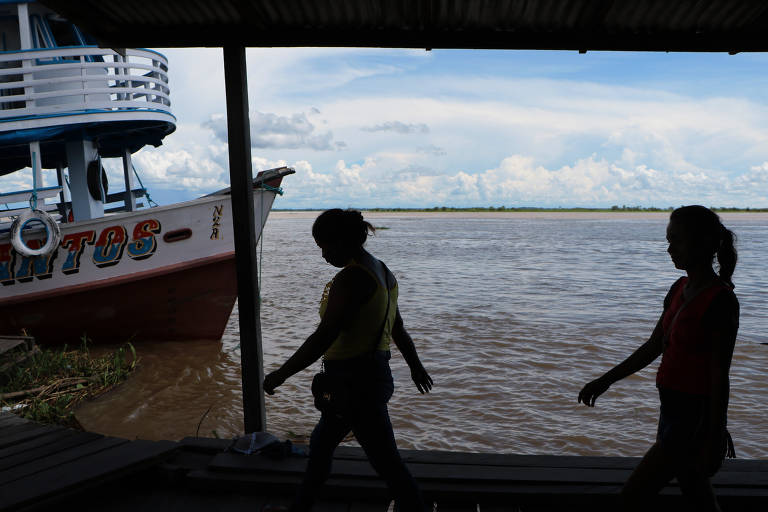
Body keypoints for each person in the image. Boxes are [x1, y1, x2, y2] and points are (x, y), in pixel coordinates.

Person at [263, 208, 433, 512]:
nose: (324, 255)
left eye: (324, 247)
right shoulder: (383, 272)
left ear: (342, 241)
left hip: (356, 384)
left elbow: (325, 334)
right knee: (322, 446)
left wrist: (282, 373)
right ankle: (299, 508)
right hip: (372, 376)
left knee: (386, 462)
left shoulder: (352, 278)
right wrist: (415, 366)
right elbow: (398, 328)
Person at [578, 205, 739, 512]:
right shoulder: (680, 288)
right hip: (673, 410)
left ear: (704, 244)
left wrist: (715, 435)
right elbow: (654, 346)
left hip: (692, 419)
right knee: (697, 495)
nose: (669, 249)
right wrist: (606, 380)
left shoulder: (720, 301)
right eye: (669, 240)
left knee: (633, 496)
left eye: (677, 241)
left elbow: (719, 375)